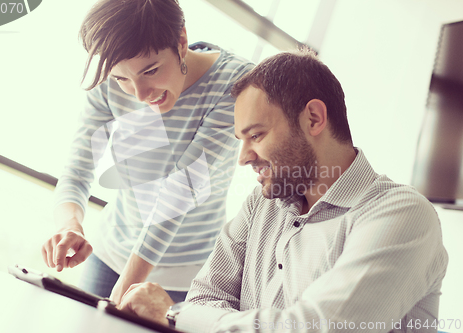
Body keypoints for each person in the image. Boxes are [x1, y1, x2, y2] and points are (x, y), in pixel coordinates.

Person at [116, 49, 449, 332]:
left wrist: (177, 314)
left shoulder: (402, 214)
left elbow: (314, 327)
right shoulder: (261, 205)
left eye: (256, 136)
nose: (244, 158)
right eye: (241, 141)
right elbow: (204, 297)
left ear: (314, 118)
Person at [40, 0, 253, 304]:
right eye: (121, 79)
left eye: (150, 71)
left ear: (181, 42)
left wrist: (116, 300)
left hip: (186, 276)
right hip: (111, 253)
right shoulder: (108, 76)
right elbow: (78, 168)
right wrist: (69, 224)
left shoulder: (235, 83)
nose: (139, 94)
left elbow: (180, 192)